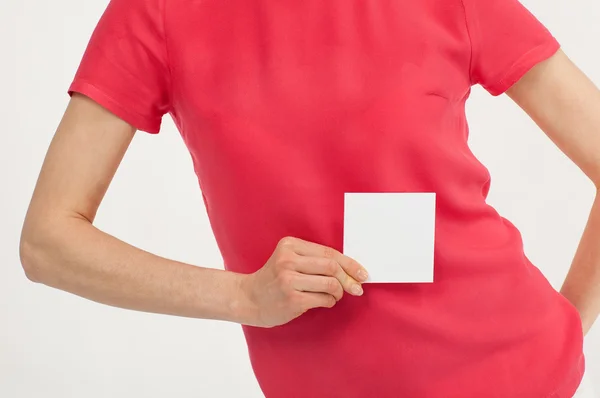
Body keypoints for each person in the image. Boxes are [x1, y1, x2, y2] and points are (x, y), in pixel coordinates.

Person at [19, 0, 600, 396]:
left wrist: (566, 325)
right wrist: (243, 297)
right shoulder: (160, 12)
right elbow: (47, 240)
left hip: (514, 374)